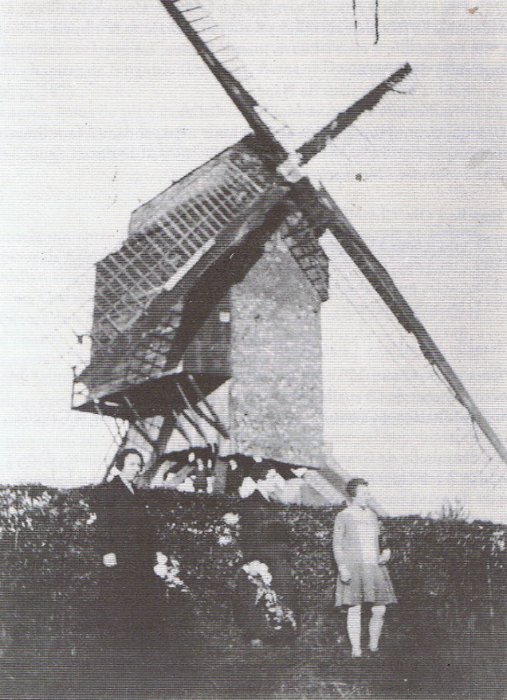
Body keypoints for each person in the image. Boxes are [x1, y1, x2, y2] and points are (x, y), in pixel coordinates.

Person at [93, 448, 169, 650]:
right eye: (132, 464)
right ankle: (118, 644)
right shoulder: (108, 490)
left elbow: (146, 528)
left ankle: (137, 641)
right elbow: (103, 523)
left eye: (139, 465)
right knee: (121, 597)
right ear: (120, 465)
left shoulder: (136, 492)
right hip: (121, 555)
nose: (137, 469)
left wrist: (157, 551)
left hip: (140, 556)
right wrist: (106, 550)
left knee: (139, 597)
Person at [232, 468, 299, 647]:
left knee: (281, 593)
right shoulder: (251, 503)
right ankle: (258, 636)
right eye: (271, 477)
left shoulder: (272, 503)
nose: (275, 481)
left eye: (276, 476)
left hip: (278, 556)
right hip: (262, 557)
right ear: (260, 481)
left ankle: (280, 634)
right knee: (259, 595)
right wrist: (252, 561)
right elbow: (248, 535)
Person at [333, 477, 396, 658]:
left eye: (368, 493)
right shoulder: (343, 516)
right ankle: (356, 649)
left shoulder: (373, 515)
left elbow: (383, 540)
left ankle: (373, 645)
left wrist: (386, 552)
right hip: (353, 567)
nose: (367, 496)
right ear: (353, 496)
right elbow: (337, 545)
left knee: (380, 609)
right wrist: (342, 567)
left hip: (374, 567)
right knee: (355, 608)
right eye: (364, 493)